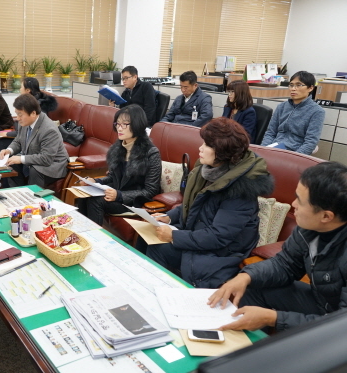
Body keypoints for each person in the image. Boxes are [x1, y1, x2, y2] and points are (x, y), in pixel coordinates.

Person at [209, 162, 347, 332]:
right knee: (250, 287)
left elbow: (341, 328)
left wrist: (273, 318)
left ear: (326, 216)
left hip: (340, 326)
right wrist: (246, 277)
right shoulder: (309, 229)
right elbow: (285, 264)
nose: (293, 204)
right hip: (323, 301)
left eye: (300, 201)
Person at [139, 117, 273, 288]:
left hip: (222, 252)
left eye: (207, 145)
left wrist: (174, 235)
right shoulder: (208, 171)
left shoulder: (241, 190)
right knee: (147, 235)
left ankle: (159, 293)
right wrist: (169, 217)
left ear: (223, 150)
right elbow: (192, 206)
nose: (200, 148)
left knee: (158, 247)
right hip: (199, 235)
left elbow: (219, 236)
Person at [77, 104, 162, 226]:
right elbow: (113, 177)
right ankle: (81, 233)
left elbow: (150, 190)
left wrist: (120, 195)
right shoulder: (118, 148)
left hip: (134, 202)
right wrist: (95, 182)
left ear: (137, 125)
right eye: (117, 124)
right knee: (85, 192)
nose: (119, 129)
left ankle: (94, 238)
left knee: (96, 200)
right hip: (116, 195)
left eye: (124, 124)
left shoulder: (151, 153)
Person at [0, 94, 68, 188]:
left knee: (34, 169)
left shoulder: (49, 129)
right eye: (17, 113)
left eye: (20, 114)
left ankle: (34, 198)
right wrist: (9, 150)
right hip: (33, 158)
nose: (17, 118)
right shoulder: (24, 122)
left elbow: (46, 158)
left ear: (33, 113)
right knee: (11, 163)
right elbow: (18, 140)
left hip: (53, 165)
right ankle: (18, 192)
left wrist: (21, 159)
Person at [261, 71, 324, 155]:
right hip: (275, 148)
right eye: (291, 85)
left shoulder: (317, 111)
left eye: (299, 85)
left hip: (294, 151)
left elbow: (311, 142)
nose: (293, 89)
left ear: (310, 88)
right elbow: (270, 133)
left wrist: (294, 158)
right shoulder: (282, 107)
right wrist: (263, 150)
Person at [0, 77, 58, 154]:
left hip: (34, 148)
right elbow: (19, 137)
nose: (17, 118)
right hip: (24, 140)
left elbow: (33, 135)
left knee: (2, 143)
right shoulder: (24, 106)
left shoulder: (37, 109)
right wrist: (9, 151)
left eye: (21, 87)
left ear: (28, 91)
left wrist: (7, 134)